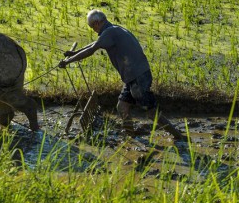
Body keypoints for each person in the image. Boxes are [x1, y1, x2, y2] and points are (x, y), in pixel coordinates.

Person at [58, 9, 183, 140]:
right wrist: (74, 53)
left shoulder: (110, 32)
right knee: (122, 107)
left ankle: (178, 136)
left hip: (138, 77)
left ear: (97, 23)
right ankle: (131, 136)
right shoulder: (114, 30)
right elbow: (95, 44)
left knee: (151, 112)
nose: (93, 29)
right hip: (134, 76)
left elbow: (91, 50)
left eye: (91, 26)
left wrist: (68, 61)